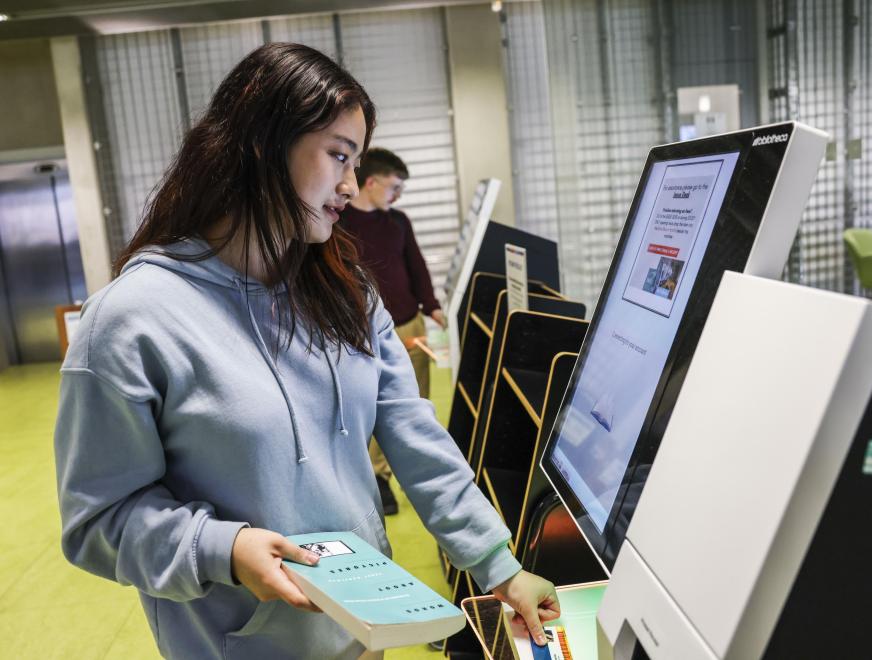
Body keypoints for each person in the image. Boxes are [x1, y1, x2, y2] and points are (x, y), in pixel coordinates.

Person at [54, 43, 559, 660]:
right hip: (241, 647)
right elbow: (98, 520)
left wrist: (498, 567)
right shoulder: (133, 321)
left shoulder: (345, 291)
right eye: (338, 157)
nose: (351, 186)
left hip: (363, 629)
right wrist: (224, 549)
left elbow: (410, 431)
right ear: (263, 148)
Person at [339, 148, 440, 516]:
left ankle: (418, 477)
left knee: (413, 403)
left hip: (409, 325)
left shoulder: (398, 222)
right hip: (360, 332)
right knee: (374, 403)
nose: (397, 196)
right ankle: (377, 478)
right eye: (394, 187)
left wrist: (433, 307)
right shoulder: (339, 221)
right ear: (372, 181)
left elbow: (416, 265)